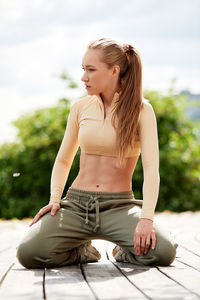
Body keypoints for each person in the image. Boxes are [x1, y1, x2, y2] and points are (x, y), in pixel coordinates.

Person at [16, 38, 178, 269]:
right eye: (83, 69)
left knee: (163, 252)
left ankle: (123, 248)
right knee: (29, 253)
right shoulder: (80, 107)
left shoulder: (142, 111)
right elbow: (63, 160)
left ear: (114, 70)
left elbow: (152, 170)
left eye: (91, 70)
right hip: (77, 205)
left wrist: (146, 218)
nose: (84, 77)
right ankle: (81, 251)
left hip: (119, 206)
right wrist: (54, 200)